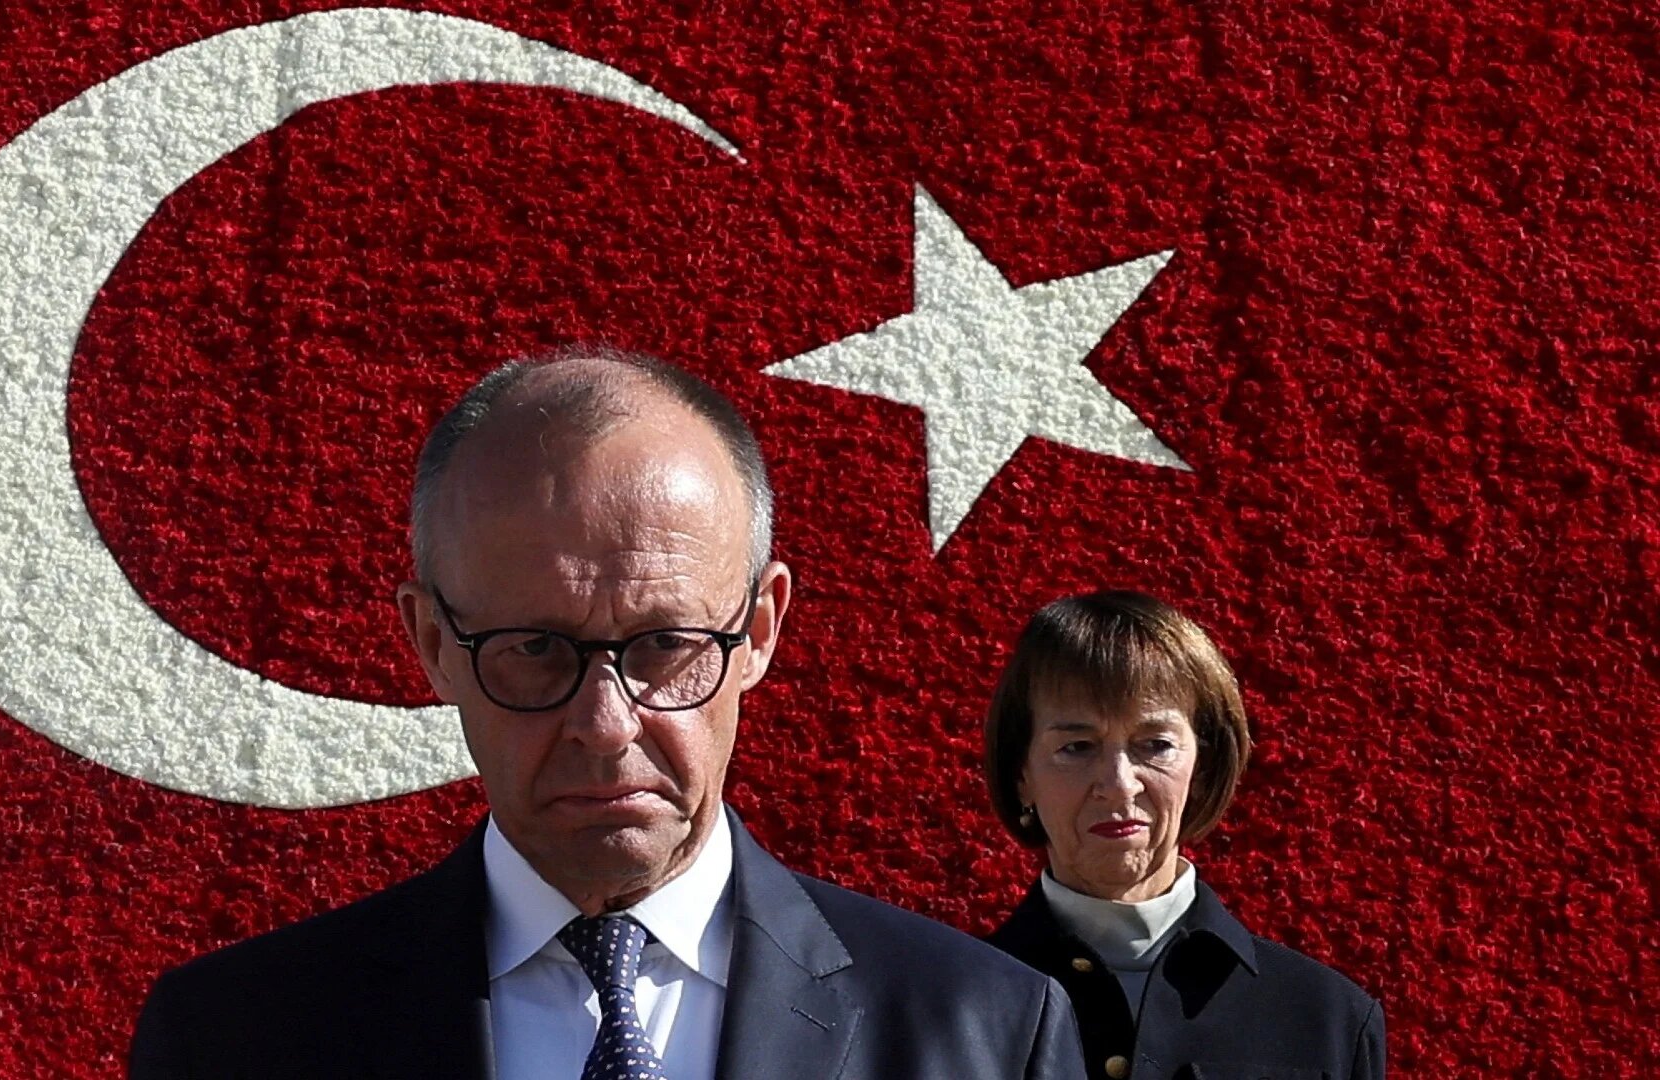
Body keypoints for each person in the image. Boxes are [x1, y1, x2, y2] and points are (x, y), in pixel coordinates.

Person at [130, 349, 1081, 1078]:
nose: (607, 723)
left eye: (665, 647)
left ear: (759, 629)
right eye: (536, 650)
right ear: (429, 643)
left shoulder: (986, 1033)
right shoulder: (236, 1038)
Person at [981, 590, 1385, 1080]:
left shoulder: (1327, 1019)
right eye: (1077, 746)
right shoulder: (948, 1002)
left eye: (1154, 745)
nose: (1119, 784)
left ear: (1203, 766)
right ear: (1022, 772)